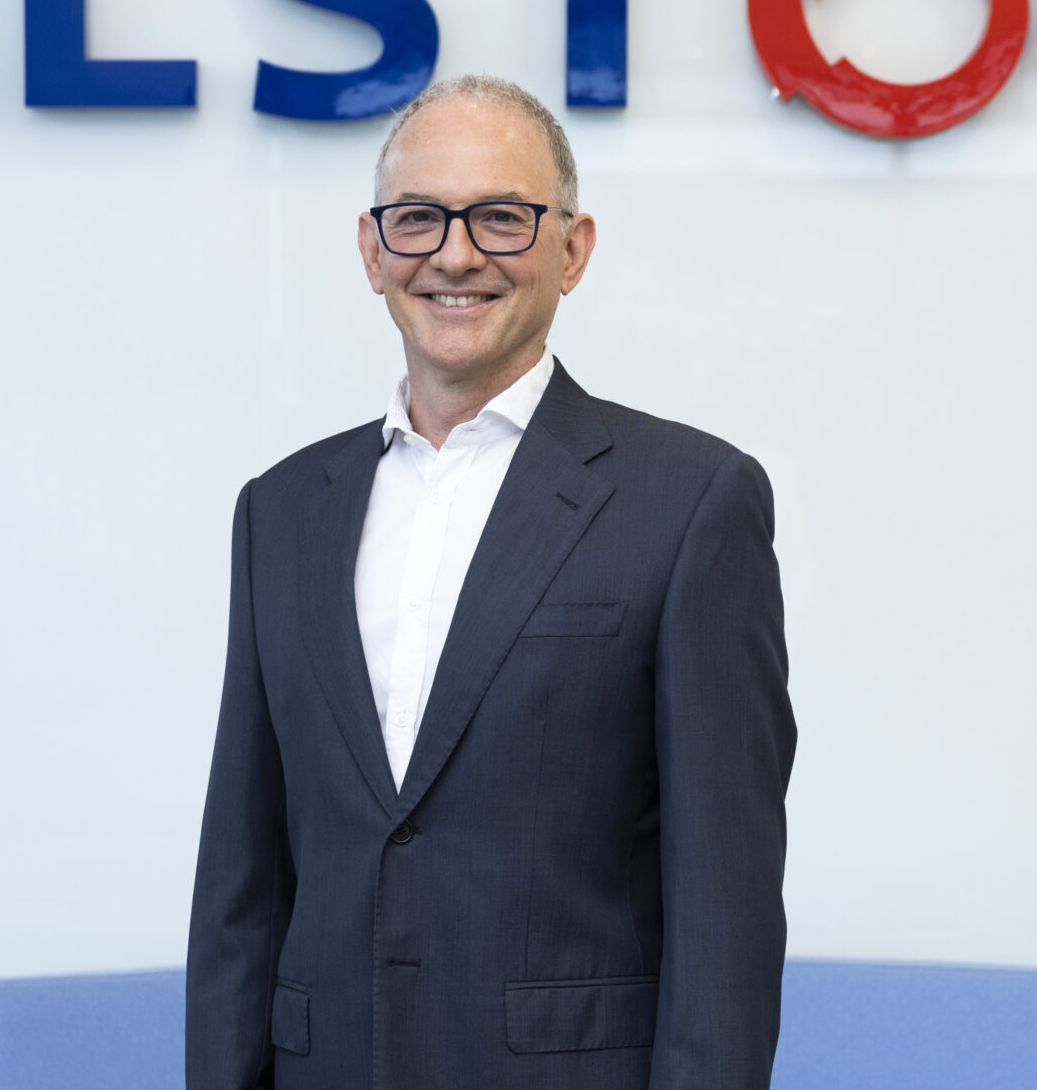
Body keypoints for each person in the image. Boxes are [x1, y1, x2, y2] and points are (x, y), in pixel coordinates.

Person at [186, 74, 797, 1090]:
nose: (456, 254)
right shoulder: (281, 512)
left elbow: (723, 918)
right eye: (417, 218)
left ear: (573, 249)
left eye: (502, 218)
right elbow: (239, 891)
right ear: (372, 249)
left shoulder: (691, 502)